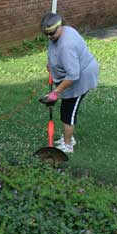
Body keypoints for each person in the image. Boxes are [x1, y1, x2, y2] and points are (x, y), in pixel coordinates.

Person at [40, 12, 99, 153]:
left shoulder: (67, 45)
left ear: (60, 26)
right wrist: (52, 63)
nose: (49, 37)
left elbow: (73, 75)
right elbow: (55, 50)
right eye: (46, 34)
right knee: (65, 109)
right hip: (72, 75)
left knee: (69, 112)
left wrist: (55, 92)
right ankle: (67, 138)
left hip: (81, 78)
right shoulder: (63, 32)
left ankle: (68, 145)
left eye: (52, 33)